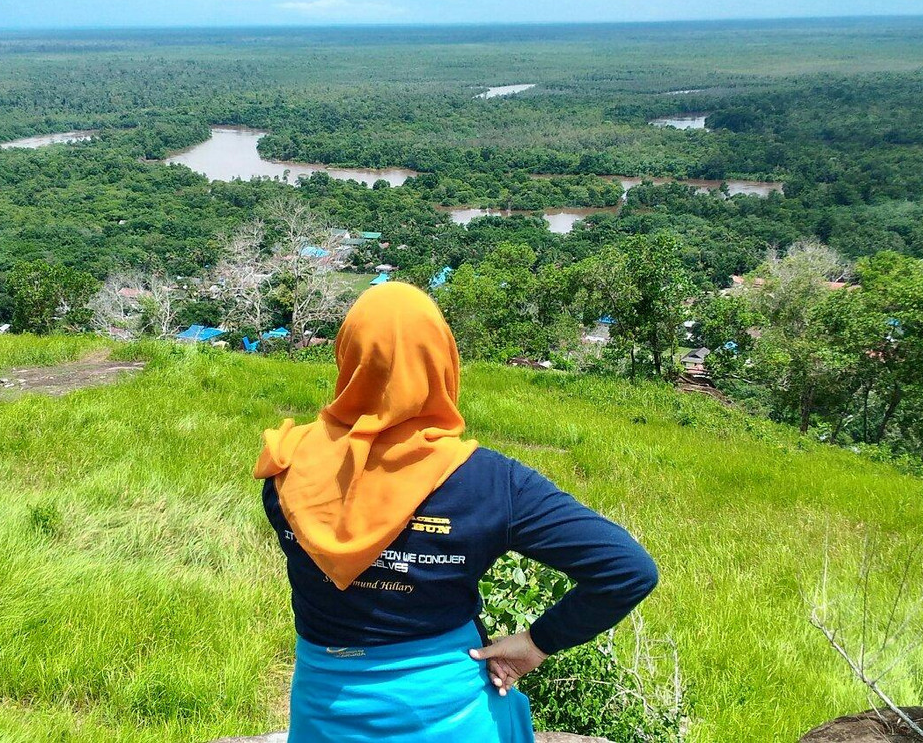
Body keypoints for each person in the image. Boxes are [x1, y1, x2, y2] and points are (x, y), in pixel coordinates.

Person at [255, 282, 658, 743]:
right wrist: (536, 643)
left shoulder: (286, 464)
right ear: (443, 360)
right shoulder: (490, 482)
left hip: (323, 709)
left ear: (348, 357)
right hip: (448, 715)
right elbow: (628, 569)